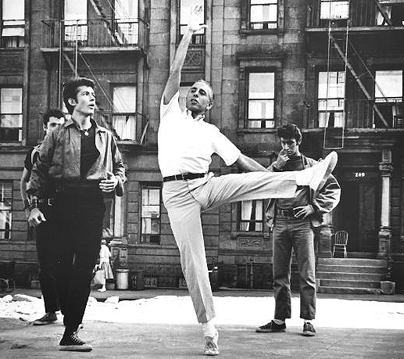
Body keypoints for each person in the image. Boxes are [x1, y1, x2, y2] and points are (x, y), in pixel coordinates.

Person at [158, 5, 338, 356]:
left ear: (209, 105)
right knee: (193, 260)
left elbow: (241, 162)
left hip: (205, 184)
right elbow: (175, 69)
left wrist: (273, 174)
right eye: (192, 90)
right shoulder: (170, 113)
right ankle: (209, 329)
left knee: (252, 180)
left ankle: (306, 176)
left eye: (202, 93)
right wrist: (190, 32)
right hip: (176, 194)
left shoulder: (211, 131)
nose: (194, 93)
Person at [27, 77, 126, 352]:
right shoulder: (57, 134)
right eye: (86, 94)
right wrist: (33, 205)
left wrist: (116, 182)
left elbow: (120, 168)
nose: (93, 98)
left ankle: (71, 330)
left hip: (93, 203)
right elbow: (39, 170)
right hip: (62, 202)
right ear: (72, 101)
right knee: (60, 266)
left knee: (84, 266)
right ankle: (70, 320)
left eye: (93, 94)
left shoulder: (106, 136)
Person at [256, 124, 341, 337]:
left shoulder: (312, 165)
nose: (286, 147)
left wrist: (314, 207)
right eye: (283, 143)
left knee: (307, 273)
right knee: (279, 274)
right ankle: (279, 320)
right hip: (280, 223)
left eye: (290, 143)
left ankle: (308, 321)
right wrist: (277, 166)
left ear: (298, 142)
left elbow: (333, 189)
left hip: (303, 225)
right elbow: (260, 183)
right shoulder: (276, 165)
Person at [20, 109, 65, 326]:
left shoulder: (70, 153)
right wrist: (29, 209)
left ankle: (71, 313)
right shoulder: (36, 153)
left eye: (61, 125)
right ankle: (50, 311)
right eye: (53, 125)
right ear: (45, 127)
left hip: (69, 213)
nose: (57, 129)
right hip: (45, 212)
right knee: (46, 264)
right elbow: (24, 182)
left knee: (68, 263)